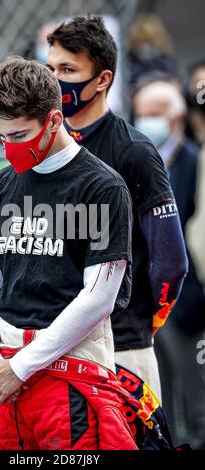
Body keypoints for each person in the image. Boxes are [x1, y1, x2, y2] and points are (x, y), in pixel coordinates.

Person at [0, 56, 138, 451]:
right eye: (1, 136)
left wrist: (21, 366)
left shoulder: (102, 186)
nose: (9, 146)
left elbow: (99, 298)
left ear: (52, 121)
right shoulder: (2, 183)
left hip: (70, 374)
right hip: (5, 375)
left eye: (18, 135)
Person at [46, 16, 188, 401]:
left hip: (121, 350)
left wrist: (149, 322)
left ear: (103, 79)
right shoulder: (40, 149)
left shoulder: (134, 152)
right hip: (48, 348)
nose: (55, 79)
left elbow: (171, 262)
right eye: (51, 68)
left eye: (68, 69)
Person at [133, 80, 205, 449]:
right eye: (141, 114)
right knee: (160, 393)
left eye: (153, 115)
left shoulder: (195, 160)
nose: (144, 122)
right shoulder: (139, 161)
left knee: (195, 391)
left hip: (188, 297)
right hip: (148, 300)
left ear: (176, 118)